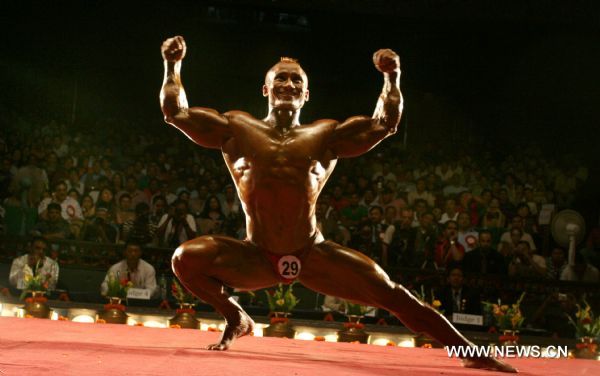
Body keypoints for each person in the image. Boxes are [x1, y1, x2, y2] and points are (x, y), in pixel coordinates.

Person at [160, 36, 514, 372]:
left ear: (306, 94)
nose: (288, 84)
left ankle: (471, 353)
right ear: (266, 89)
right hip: (255, 255)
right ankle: (236, 316)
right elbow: (177, 113)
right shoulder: (237, 128)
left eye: (296, 81)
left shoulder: (325, 135)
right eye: (280, 79)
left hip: (313, 253)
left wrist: (393, 76)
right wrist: (171, 65)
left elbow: (384, 124)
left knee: (392, 294)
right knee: (185, 259)